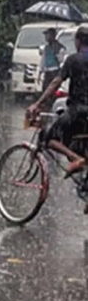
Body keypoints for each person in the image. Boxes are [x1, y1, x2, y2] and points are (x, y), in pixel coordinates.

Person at [28, 26, 88, 203]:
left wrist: (38, 104)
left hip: (77, 111)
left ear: (77, 42)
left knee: (48, 138)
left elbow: (56, 83)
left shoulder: (73, 60)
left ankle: (76, 160)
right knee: (79, 145)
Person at [39, 28, 66, 99]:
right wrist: (40, 71)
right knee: (45, 90)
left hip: (55, 71)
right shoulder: (46, 48)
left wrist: (56, 53)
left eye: (47, 35)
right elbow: (43, 60)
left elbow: (61, 60)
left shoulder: (60, 47)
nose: (46, 37)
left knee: (54, 90)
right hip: (47, 72)